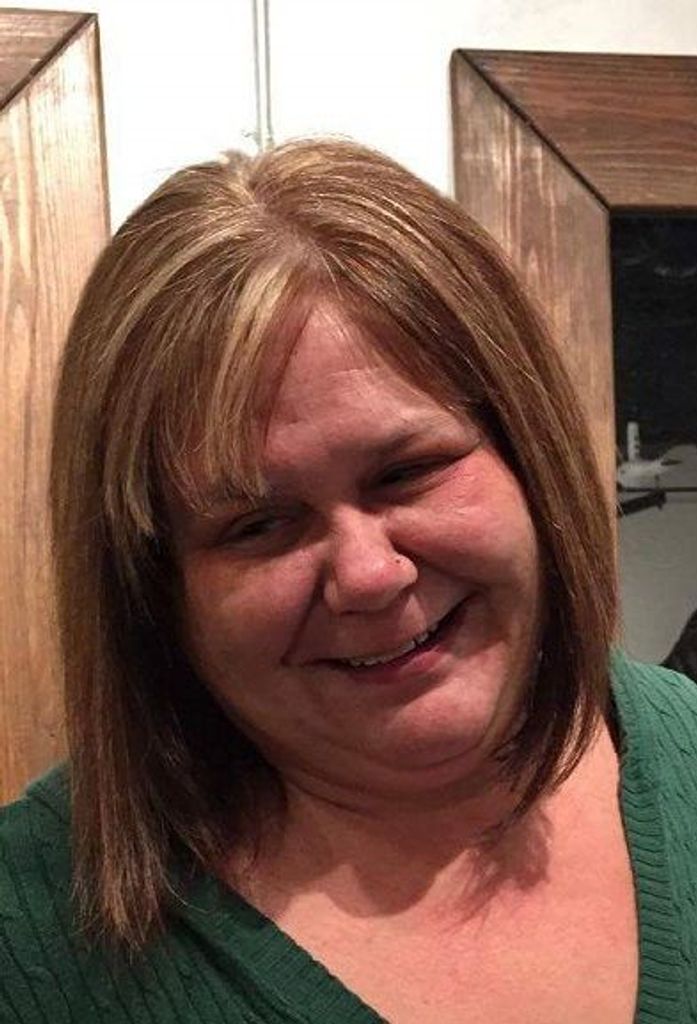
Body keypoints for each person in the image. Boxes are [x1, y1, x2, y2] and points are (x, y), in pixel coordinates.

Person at [1, 138, 696, 1024]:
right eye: (257, 525)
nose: (368, 576)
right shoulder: (26, 938)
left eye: (407, 471)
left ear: (530, 458)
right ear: (153, 590)